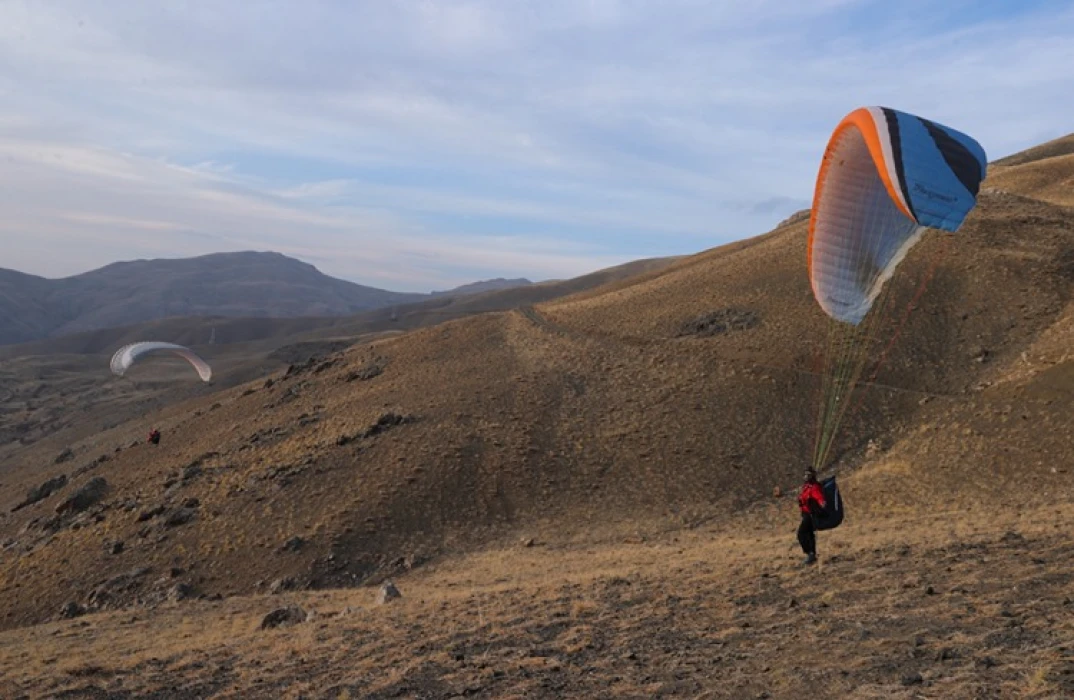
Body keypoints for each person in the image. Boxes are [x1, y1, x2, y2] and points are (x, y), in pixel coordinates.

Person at [797, 467, 826, 565]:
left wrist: (822, 503)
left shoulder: (814, 487)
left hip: (810, 514)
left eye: (808, 475)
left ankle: (809, 553)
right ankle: (812, 555)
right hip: (806, 513)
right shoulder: (806, 486)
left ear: (812, 476)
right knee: (809, 534)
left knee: (801, 533)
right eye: (805, 475)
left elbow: (819, 496)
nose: (805, 477)